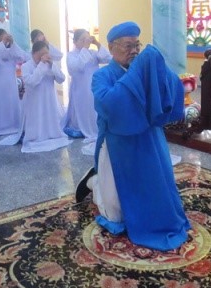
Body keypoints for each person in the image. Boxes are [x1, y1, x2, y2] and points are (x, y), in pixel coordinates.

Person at [77, 21, 190, 251]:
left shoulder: (143, 70)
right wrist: (137, 76)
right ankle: (94, 182)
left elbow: (169, 87)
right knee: (115, 213)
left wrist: (161, 72)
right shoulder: (102, 76)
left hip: (149, 137)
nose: (134, 51)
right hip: (118, 142)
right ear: (111, 48)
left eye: (137, 45)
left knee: (153, 183)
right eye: (128, 46)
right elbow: (109, 104)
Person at [63, 29, 112, 154]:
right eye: (82, 39)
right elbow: (77, 67)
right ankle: (79, 127)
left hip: (94, 87)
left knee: (94, 108)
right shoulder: (71, 55)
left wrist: (97, 44)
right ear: (75, 41)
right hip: (80, 89)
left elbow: (107, 58)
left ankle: (96, 127)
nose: (86, 41)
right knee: (81, 109)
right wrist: (84, 48)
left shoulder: (93, 52)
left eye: (87, 38)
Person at [19, 40, 71, 153]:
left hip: (49, 99)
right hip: (34, 102)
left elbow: (61, 79)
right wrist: (42, 65)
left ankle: (52, 133)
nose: (44, 56)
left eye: (46, 53)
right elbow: (32, 81)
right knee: (37, 121)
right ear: (34, 54)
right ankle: (36, 136)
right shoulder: (26, 66)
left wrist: (53, 66)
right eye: (41, 54)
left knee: (49, 118)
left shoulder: (50, 64)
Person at [0, 29, 29, 137]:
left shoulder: (11, 52)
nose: (4, 42)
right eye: (0, 40)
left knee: (11, 105)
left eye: (5, 39)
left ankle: (13, 126)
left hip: (10, 87)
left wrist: (14, 44)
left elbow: (24, 57)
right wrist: (2, 44)